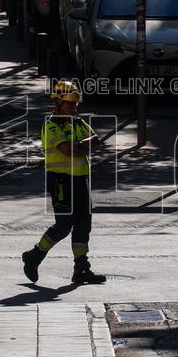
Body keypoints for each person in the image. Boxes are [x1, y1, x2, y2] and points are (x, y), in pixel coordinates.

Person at [21, 80, 107, 285]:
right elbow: (67, 150)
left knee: (83, 223)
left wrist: (80, 145)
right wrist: (81, 146)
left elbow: (96, 140)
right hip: (60, 181)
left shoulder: (77, 122)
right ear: (58, 102)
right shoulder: (50, 126)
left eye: (75, 103)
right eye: (70, 103)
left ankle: (81, 268)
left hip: (80, 179)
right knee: (64, 225)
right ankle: (34, 256)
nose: (74, 107)